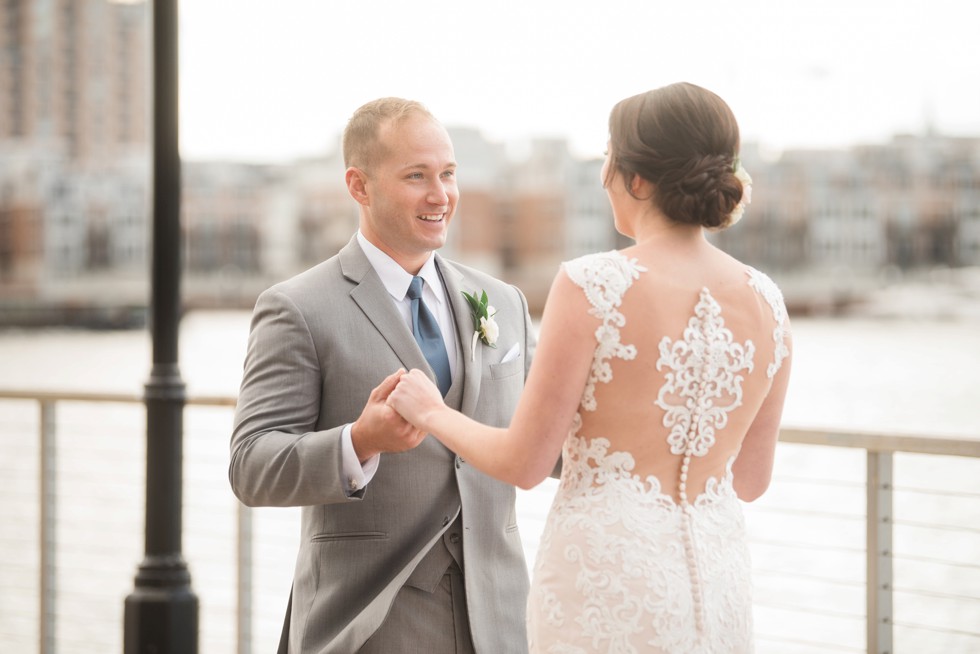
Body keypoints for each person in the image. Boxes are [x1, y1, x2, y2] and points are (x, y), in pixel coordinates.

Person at [387, 82, 793, 653]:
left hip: (606, 572)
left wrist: (431, 412)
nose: (603, 175)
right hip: (716, 573)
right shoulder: (767, 301)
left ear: (638, 179)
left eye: (608, 156)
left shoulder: (594, 284)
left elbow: (525, 463)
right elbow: (750, 480)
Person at [229, 97, 537, 653]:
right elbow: (251, 466)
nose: (440, 195)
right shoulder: (297, 307)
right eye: (416, 176)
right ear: (359, 185)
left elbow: (549, 442)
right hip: (366, 621)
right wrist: (360, 441)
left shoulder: (503, 302)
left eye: (447, 174)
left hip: (500, 620)